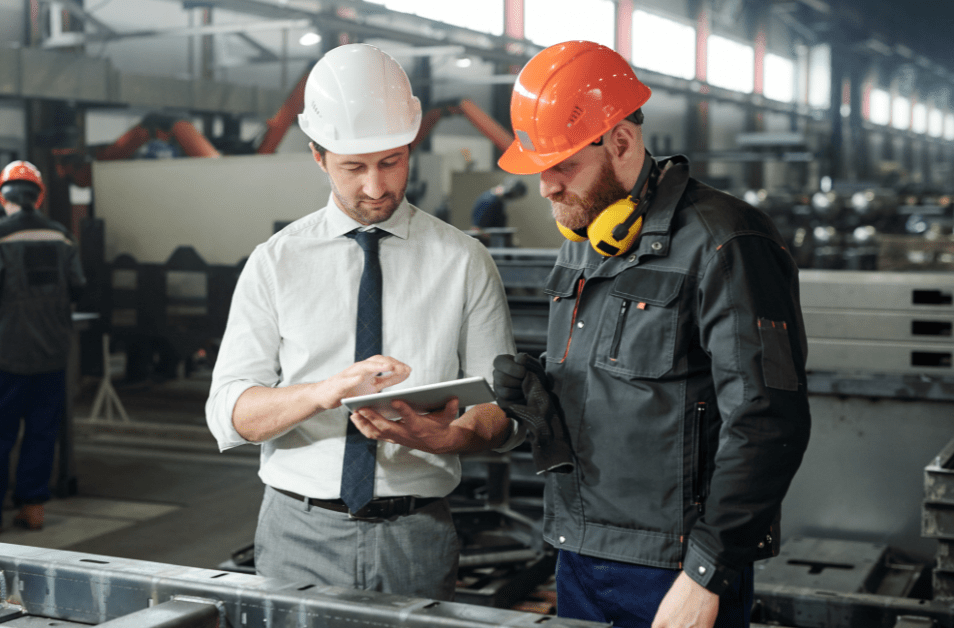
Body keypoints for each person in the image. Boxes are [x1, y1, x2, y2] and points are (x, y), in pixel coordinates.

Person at [490, 41, 811, 628]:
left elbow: (768, 419)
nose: (547, 188)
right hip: (577, 550)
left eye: (563, 165)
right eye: (540, 169)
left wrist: (707, 575)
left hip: (672, 569)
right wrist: (541, 395)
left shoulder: (727, 242)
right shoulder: (586, 239)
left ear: (621, 141)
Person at [205, 43, 519, 601]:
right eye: (354, 167)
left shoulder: (464, 260)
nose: (376, 188)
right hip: (297, 531)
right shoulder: (276, 262)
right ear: (318, 156)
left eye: (391, 162)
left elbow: (501, 412)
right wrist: (325, 392)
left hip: (417, 534)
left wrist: (448, 435)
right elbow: (232, 414)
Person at [0, 160, 87, 536]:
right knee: (42, 429)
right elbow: (78, 287)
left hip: (7, 350)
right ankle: (33, 507)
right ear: (38, 196)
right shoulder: (62, 236)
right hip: (54, 350)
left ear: (1, 194)